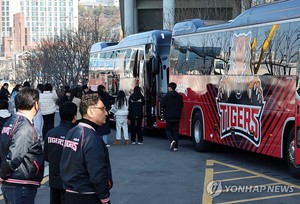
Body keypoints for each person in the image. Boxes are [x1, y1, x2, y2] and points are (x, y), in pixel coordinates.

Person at [60, 93, 113, 204]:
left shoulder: (72, 132)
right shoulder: (91, 137)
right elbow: (97, 173)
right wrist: (105, 198)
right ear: (90, 111)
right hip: (87, 196)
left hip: (70, 194)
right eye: (102, 109)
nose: (106, 113)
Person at [0, 88, 44, 204]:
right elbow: (15, 155)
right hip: (20, 182)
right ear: (35, 104)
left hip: (14, 181)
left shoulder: (11, 121)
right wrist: (3, 174)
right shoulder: (25, 127)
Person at [44, 102, 77, 204]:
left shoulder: (50, 133)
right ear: (74, 116)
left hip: (54, 180)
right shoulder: (75, 134)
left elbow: (46, 156)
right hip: (70, 182)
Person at [161, 82, 183, 151]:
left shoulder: (167, 96)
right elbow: (181, 105)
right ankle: (176, 146)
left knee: (168, 129)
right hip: (177, 116)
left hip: (169, 116)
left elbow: (162, 104)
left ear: (170, 88)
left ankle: (172, 141)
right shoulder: (179, 96)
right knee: (175, 131)